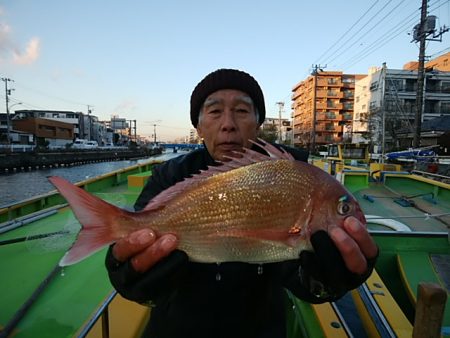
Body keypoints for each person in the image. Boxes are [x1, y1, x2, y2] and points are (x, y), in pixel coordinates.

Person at [105, 68, 378, 338]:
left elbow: (299, 275)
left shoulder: (293, 172)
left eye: (242, 111)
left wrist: (326, 281)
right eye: (214, 111)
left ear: (258, 124)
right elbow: (140, 234)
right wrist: (129, 275)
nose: (228, 124)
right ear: (198, 127)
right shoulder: (170, 175)